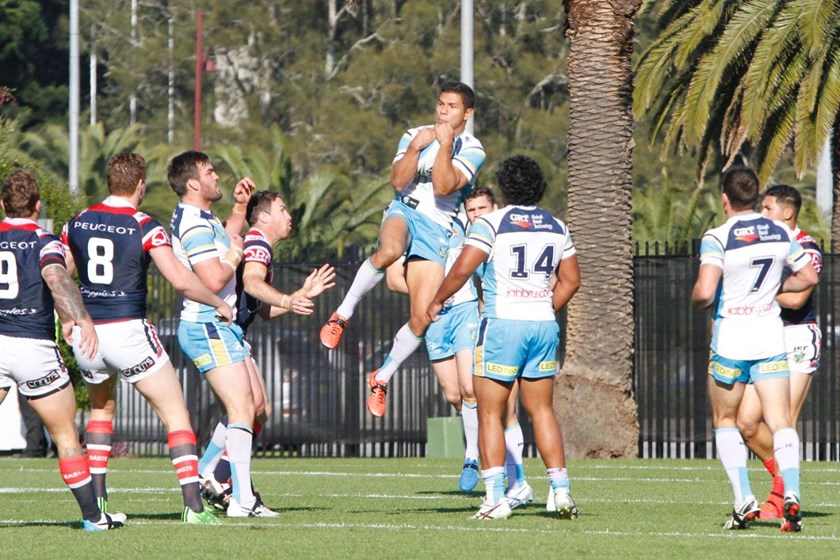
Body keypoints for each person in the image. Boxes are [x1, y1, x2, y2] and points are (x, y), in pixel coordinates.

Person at [61, 152, 234, 525]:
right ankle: (194, 507)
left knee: (100, 411)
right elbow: (181, 280)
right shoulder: (144, 225)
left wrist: (66, 318)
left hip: (88, 335)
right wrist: (218, 300)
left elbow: (60, 275)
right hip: (128, 331)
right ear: (140, 185)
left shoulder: (76, 222)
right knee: (176, 414)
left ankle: (101, 501)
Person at [425, 155, 581, 520]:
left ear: (506, 188)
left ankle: (495, 498)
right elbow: (572, 279)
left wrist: (436, 300)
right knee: (541, 410)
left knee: (489, 414)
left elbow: (463, 268)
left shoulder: (492, 223)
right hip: (543, 325)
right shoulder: (557, 226)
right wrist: (544, 305)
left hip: (501, 325)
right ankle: (560, 491)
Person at [319, 80, 486, 418]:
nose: (442, 111)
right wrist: (414, 150)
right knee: (390, 249)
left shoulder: (472, 148)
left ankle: (381, 378)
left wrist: (443, 146)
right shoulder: (414, 134)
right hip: (404, 210)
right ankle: (343, 314)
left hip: (437, 228)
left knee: (423, 318)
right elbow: (398, 182)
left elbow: (442, 186)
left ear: (467, 113)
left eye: (451, 106)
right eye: (440, 104)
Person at [691, 166, 817, 532]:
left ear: (725, 199)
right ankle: (791, 492)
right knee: (780, 422)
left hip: (731, 337)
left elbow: (704, 292)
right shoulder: (779, 231)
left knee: (726, 420)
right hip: (768, 336)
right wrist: (771, 290)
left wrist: (698, 302)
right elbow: (808, 276)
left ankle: (743, 499)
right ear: (754, 197)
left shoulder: (717, 236)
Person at [0, 169, 125, 530]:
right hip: (33, 348)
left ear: (2, 204)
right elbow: (56, 279)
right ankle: (92, 517)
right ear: (37, 206)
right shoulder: (44, 240)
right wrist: (81, 318)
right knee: (66, 435)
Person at [198, 190, 335, 511]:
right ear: (263, 217)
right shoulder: (257, 243)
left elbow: (261, 308)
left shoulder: (259, 245)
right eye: (283, 209)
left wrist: (299, 293)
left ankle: (210, 470)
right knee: (253, 409)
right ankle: (218, 476)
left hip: (231, 332)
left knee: (255, 411)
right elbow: (254, 281)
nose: (289, 216)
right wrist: (288, 299)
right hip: (221, 331)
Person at [167, 150, 275, 518]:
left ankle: (207, 470)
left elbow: (225, 238)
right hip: (206, 323)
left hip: (220, 325)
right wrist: (235, 255)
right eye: (210, 172)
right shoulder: (194, 224)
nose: (217, 177)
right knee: (242, 408)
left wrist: (241, 209)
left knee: (257, 407)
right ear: (194, 183)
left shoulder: (202, 217)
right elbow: (213, 277)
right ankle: (241, 497)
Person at [736, 184, 823, 520]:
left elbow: (798, 299)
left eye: (768, 208)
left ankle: (780, 498)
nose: (763, 213)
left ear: (788, 212)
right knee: (746, 421)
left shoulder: (806, 246)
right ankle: (780, 478)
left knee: (783, 421)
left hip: (799, 338)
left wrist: (758, 295)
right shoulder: (764, 245)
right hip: (767, 337)